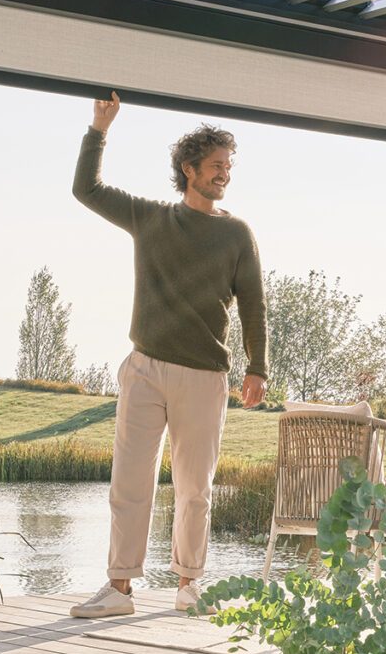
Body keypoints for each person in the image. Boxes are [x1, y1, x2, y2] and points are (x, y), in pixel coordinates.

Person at [66, 94, 268, 618]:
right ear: (189, 169)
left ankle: (188, 585)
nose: (225, 173)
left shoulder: (237, 233)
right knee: (130, 482)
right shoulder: (150, 218)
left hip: (205, 376)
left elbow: (254, 304)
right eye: (217, 165)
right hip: (145, 368)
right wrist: (99, 129)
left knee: (194, 487)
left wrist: (257, 367)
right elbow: (85, 189)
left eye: (229, 165)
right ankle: (118, 590)